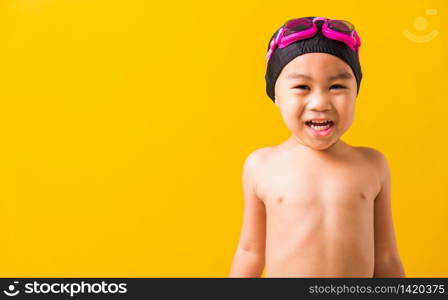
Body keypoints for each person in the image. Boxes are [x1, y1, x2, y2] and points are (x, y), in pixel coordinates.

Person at [229, 17, 405, 277]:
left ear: (356, 92)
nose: (320, 102)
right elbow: (250, 252)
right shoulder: (262, 166)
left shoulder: (372, 165)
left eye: (337, 86)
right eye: (302, 87)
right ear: (276, 95)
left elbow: (386, 257)